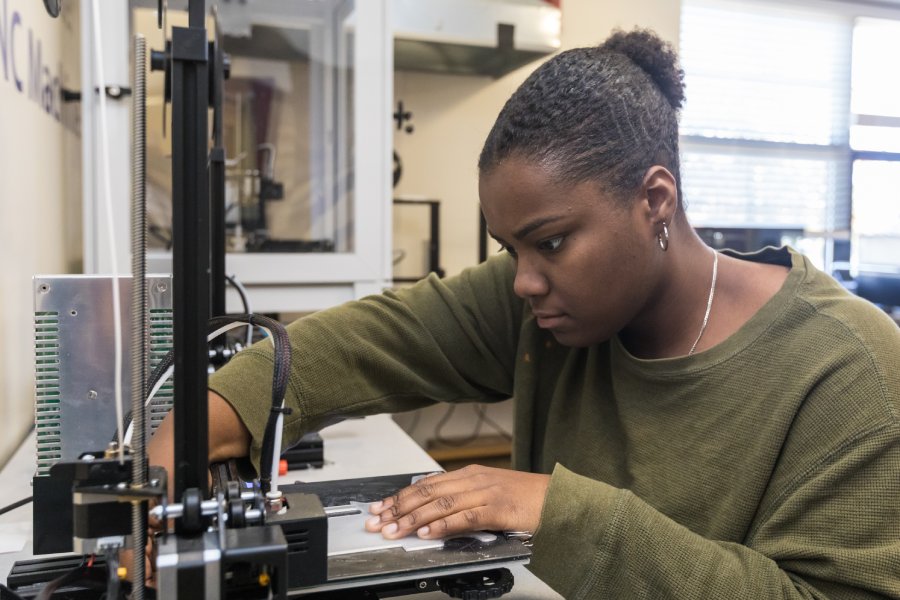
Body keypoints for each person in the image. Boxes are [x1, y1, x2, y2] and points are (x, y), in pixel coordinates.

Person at [149, 28, 900, 598]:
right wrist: (200, 422)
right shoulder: (544, 299)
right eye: (512, 250)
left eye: (550, 243)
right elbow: (366, 344)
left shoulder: (846, 368)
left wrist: (560, 511)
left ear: (655, 200)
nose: (523, 283)